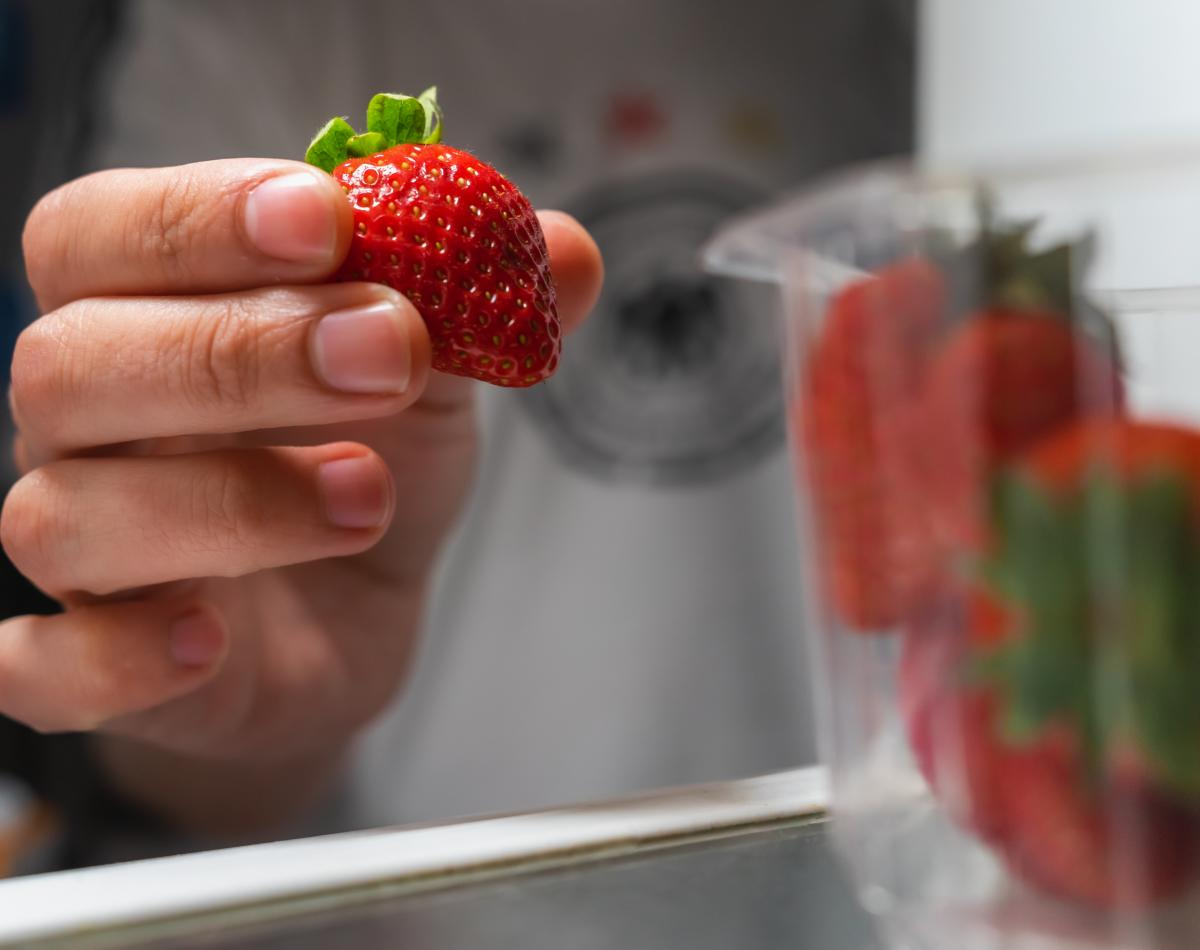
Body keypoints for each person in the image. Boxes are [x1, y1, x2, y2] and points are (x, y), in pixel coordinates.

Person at [1, 0, 913, 863]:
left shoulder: (927, 34)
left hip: (889, 865)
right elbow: (197, 790)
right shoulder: (228, 32)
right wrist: (208, 680)